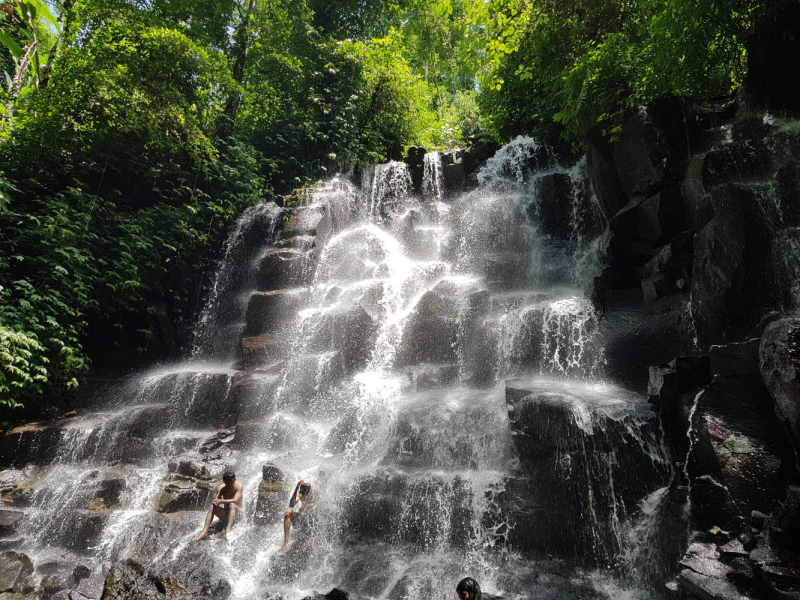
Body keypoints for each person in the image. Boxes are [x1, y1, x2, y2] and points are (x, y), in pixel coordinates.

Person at [195, 470, 243, 541]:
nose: (229, 484)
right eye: (227, 483)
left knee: (232, 505)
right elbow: (216, 500)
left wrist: (221, 501)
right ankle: (204, 533)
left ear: (235, 480)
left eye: (231, 482)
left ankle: (228, 530)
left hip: (237, 514)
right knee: (212, 508)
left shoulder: (239, 486)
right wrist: (216, 502)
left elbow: (235, 500)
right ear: (224, 481)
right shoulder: (221, 488)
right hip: (226, 514)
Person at [279, 479, 314, 551]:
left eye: (306, 494)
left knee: (312, 511)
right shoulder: (300, 494)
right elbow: (291, 504)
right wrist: (296, 488)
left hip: (312, 520)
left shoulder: (316, 494)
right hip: (300, 520)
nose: (304, 496)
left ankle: (310, 539)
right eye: (303, 494)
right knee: (287, 512)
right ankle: (286, 541)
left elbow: (322, 506)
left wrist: (306, 506)